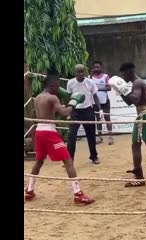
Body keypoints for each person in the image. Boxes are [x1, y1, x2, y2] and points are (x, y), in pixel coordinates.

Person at [24, 74, 95, 204]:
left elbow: (45, 115)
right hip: (49, 133)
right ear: (52, 85)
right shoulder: (52, 97)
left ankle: (29, 190)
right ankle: (78, 194)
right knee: (68, 161)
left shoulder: (38, 97)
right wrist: (73, 103)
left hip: (39, 131)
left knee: (39, 161)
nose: (59, 88)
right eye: (58, 85)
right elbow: (65, 113)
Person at [109, 62, 146, 187]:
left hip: (144, 115)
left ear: (129, 72)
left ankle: (139, 177)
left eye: (123, 74)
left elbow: (135, 99)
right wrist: (120, 91)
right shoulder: (137, 83)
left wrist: (123, 89)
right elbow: (130, 102)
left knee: (136, 145)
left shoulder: (137, 82)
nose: (123, 78)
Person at [67, 64, 104, 164]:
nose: (80, 73)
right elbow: (68, 97)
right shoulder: (70, 83)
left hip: (88, 110)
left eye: (82, 71)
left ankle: (94, 156)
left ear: (85, 72)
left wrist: (100, 109)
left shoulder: (90, 82)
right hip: (75, 112)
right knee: (71, 136)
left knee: (91, 135)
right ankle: (69, 159)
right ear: (75, 72)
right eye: (78, 72)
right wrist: (68, 110)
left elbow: (95, 96)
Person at [89, 61, 114, 145]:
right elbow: (88, 86)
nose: (96, 69)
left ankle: (110, 137)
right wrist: (90, 75)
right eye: (95, 67)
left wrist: (98, 89)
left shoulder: (106, 76)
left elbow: (109, 87)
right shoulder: (91, 77)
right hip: (95, 102)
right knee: (98, 119)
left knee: (107, 118)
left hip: (105, 101)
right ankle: (100, 137)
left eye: (98, 67)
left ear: (101, 67)